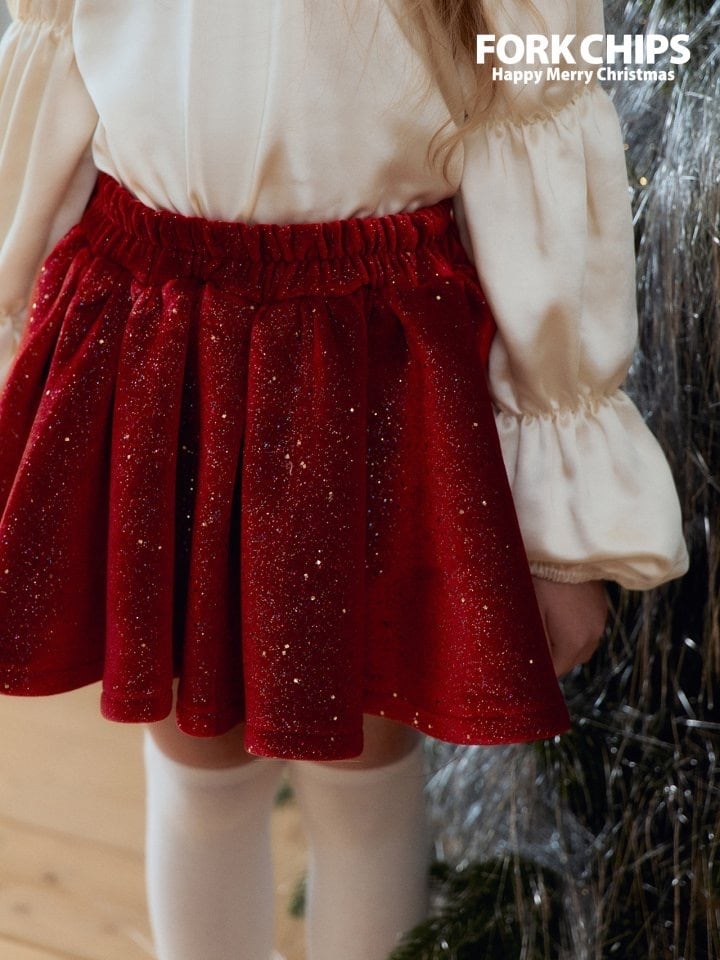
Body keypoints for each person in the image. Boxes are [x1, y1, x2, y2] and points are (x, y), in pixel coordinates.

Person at [0, 1, 689, 959]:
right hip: (167, 338)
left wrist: (560, 521)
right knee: (197, 747)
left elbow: (538, 143)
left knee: (362, 760)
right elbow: (49, 80)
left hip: (373, 362)